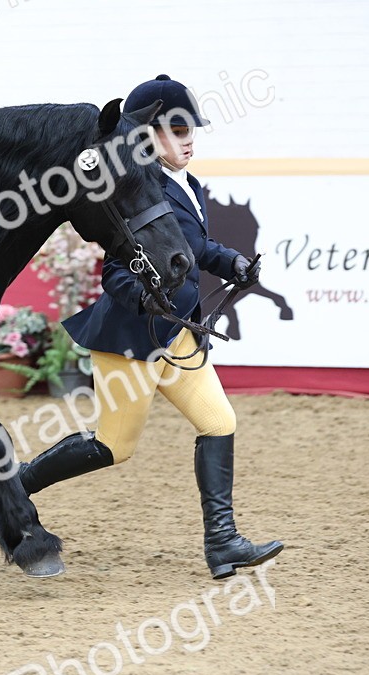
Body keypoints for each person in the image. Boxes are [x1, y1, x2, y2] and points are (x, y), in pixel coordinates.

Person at [17, 74, 282, 580]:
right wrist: (143, 296)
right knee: (116, 448)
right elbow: (115, 270)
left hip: (178, 334)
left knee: (219, 422)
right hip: (131, 342)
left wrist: (233, 265)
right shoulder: (139, 191)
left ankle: (223, 544)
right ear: (146, 137)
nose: (189, 139)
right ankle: (17, 486)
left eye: (191, 129)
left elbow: (194, 248)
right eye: (177, 129)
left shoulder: (188, 185)